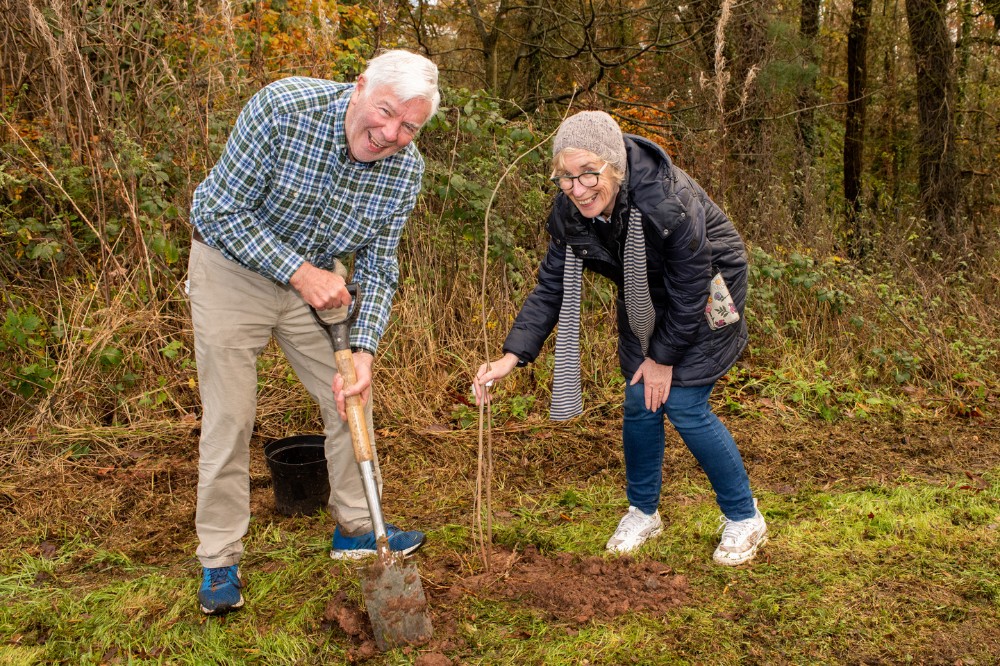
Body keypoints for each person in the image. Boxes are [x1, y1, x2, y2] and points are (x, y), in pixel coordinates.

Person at [187, 50, 440, 615]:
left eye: (409, 126)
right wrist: (300, 273)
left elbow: (378, 265)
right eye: (386, 112)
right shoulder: (284, 107)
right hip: (231, 270)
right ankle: (220, 558)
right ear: (359, 87)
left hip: (319, 283)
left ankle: (355, 526)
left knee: (352, 396)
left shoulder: (406, 168)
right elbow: (217, 211)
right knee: (232, 415)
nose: (391, 134)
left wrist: (366, 349)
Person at [472, 111, 767, 565]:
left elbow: (690, 289)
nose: (578, 187)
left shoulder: (666, 201)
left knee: (684, 405)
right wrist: (511, 357)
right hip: (644, 294)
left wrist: (663, 359)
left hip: (710, 289)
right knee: (639, 398)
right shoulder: (570, 214)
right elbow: (551, 286)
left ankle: (745, 518)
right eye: (565, 177)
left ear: (614, 167)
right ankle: (643, 511)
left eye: (589, 173)